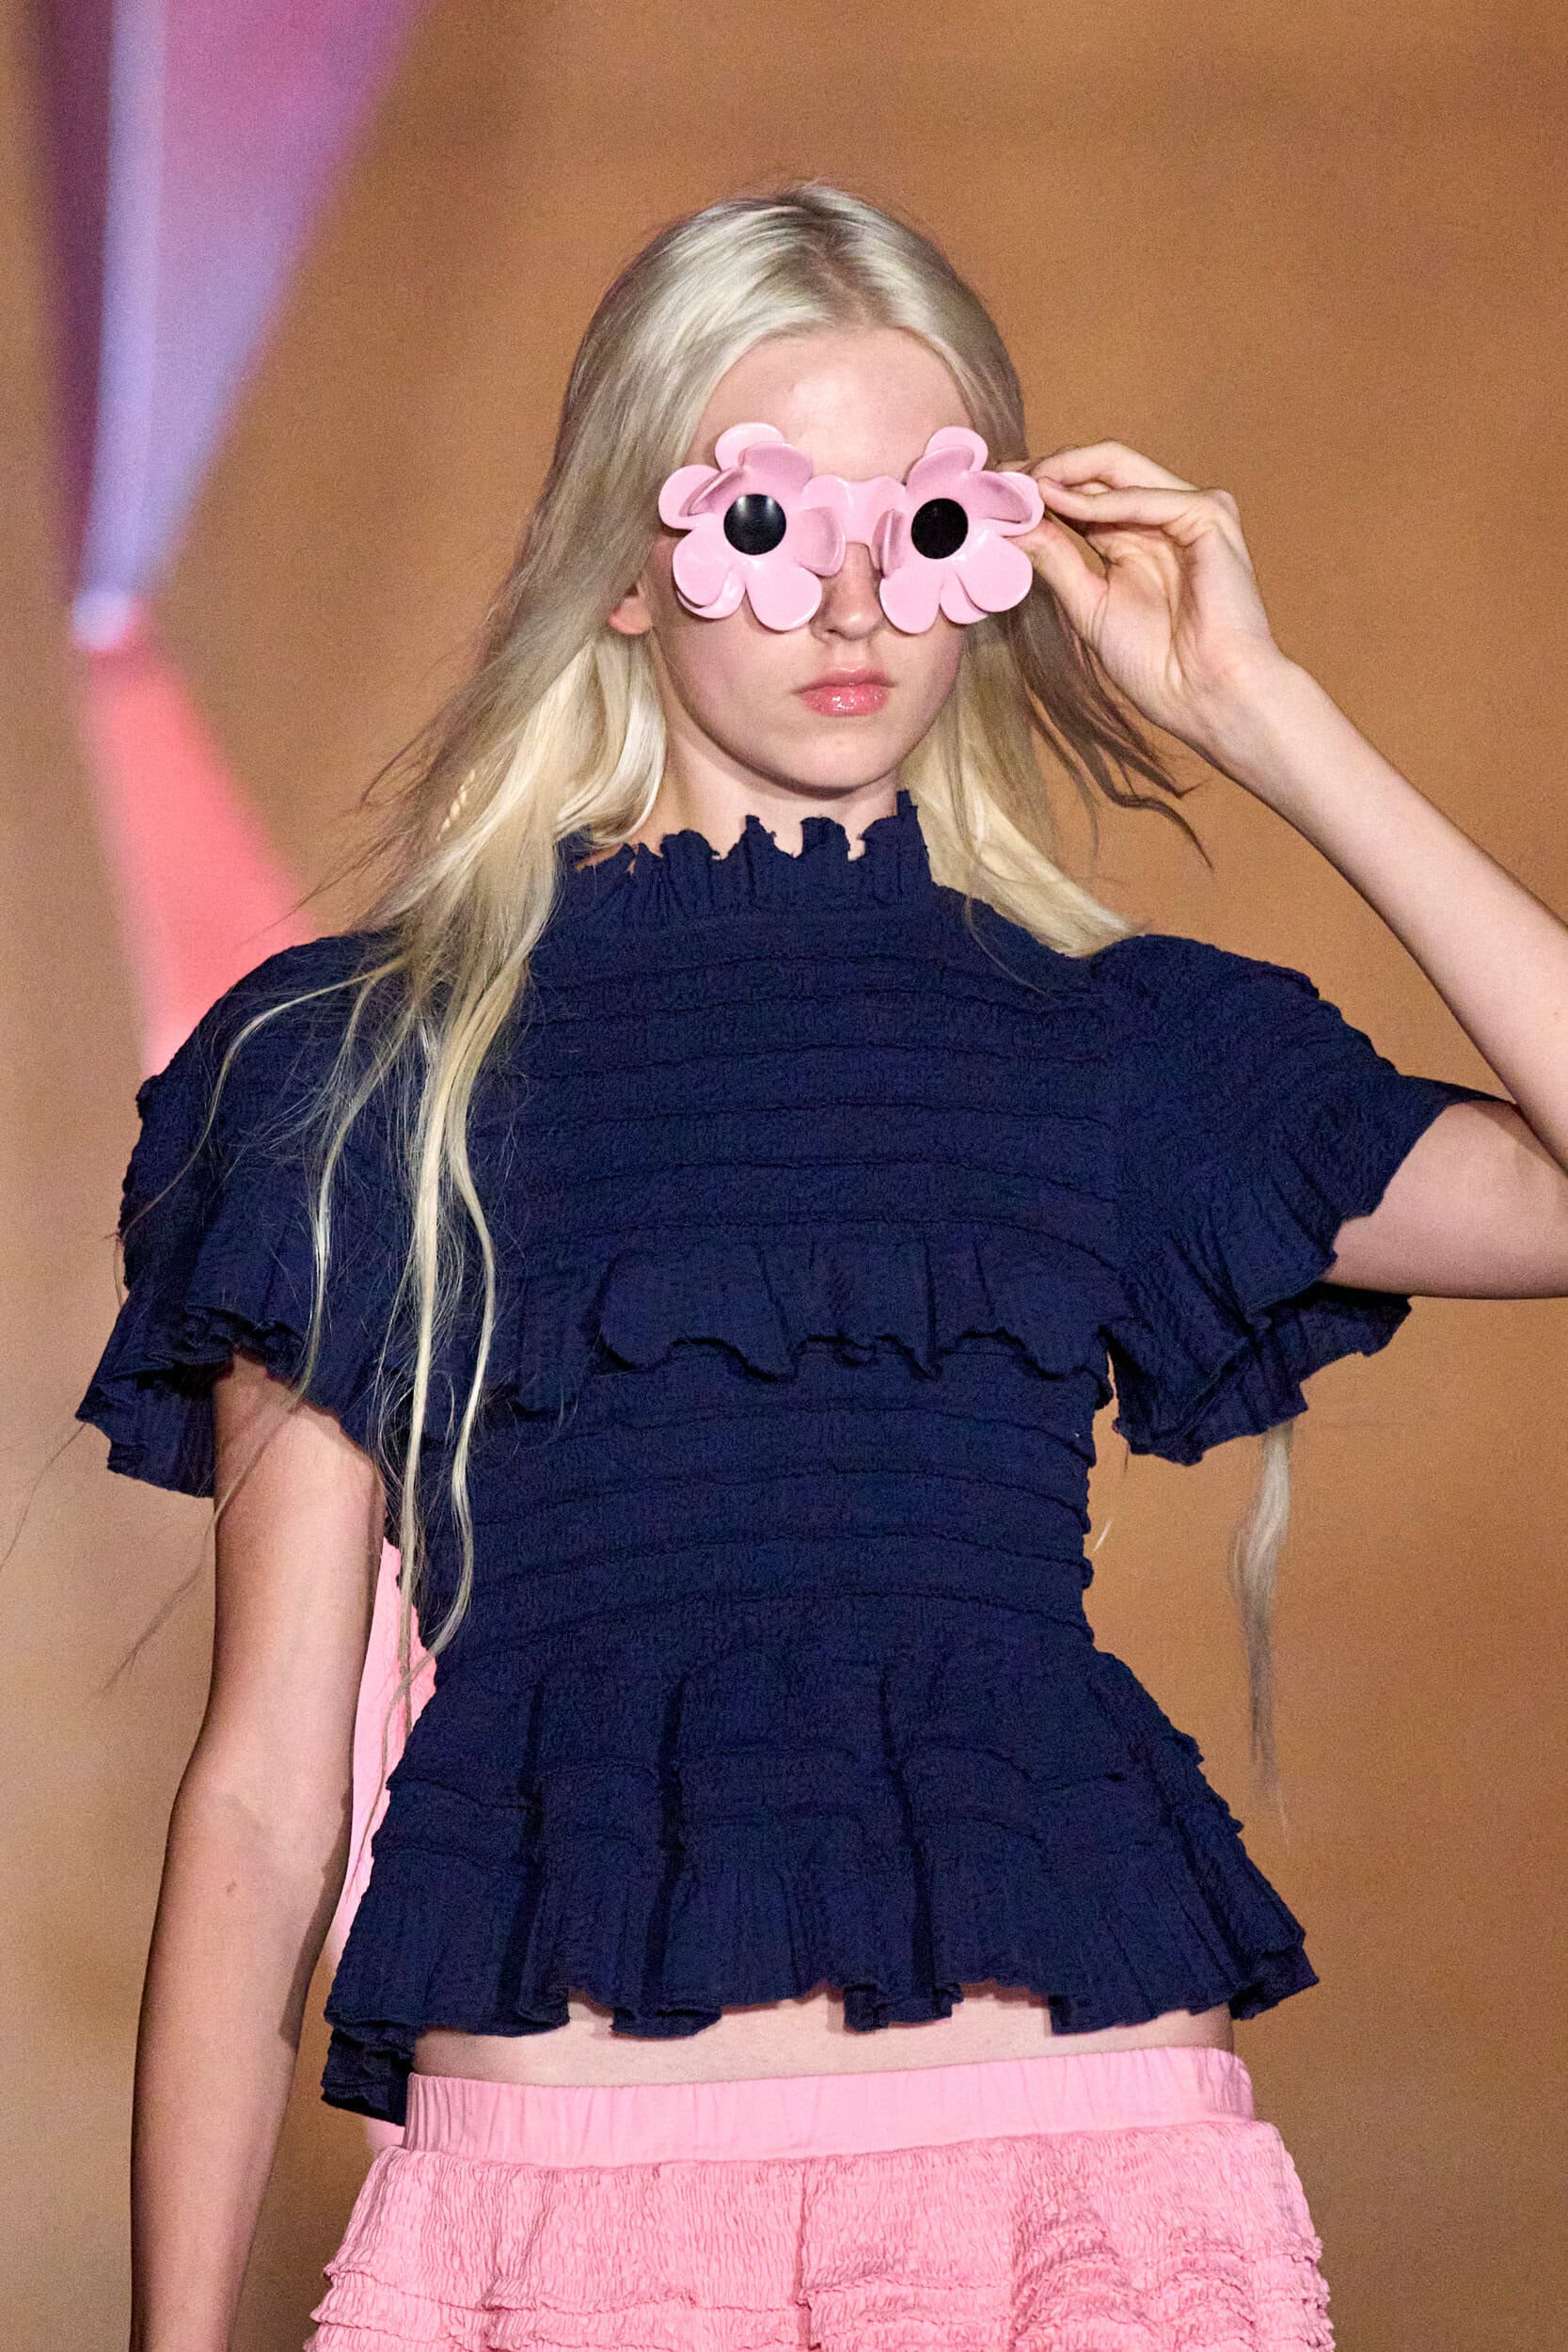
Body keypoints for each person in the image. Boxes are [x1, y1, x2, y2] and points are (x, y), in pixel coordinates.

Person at [75, 181, 1566, 2352]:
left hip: (1080, 2190)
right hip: (561, 2225)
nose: (855, 596)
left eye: (927, 523)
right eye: (768, 522)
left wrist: (1268, 715)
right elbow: (264, 1792)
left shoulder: (1113, 1043)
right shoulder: (361, 1068)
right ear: (619, 563)